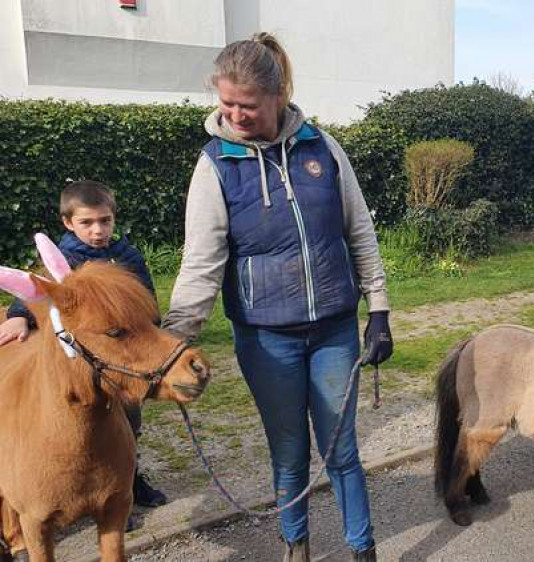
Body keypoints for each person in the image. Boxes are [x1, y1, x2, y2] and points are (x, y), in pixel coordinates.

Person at [162, 33, 392, 562]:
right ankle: (297, 546)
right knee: (289, 454)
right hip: (267, 340)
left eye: (247, 104)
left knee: (343, 451)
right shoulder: (215, 165)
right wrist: (176, 338)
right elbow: (201, 263)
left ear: (278, 95)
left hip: (334, 327)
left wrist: (378, 309)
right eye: (226, 103)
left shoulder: (322, 147)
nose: (235, 115)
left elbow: (359, 233)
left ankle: (363, 549)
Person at [0, 180, 167, 511]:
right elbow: (41, 292)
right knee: (82, 431)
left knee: (129, 423)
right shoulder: (64, 258)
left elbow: (145, 298)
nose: (97, 231)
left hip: (122, 361)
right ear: (67, 222)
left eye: (105, 221)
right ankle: (81, 493)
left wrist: (150, 329)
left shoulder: (126, 256)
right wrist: (19, 315)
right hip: (81, 365)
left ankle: (128, 483)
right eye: (86, 223)